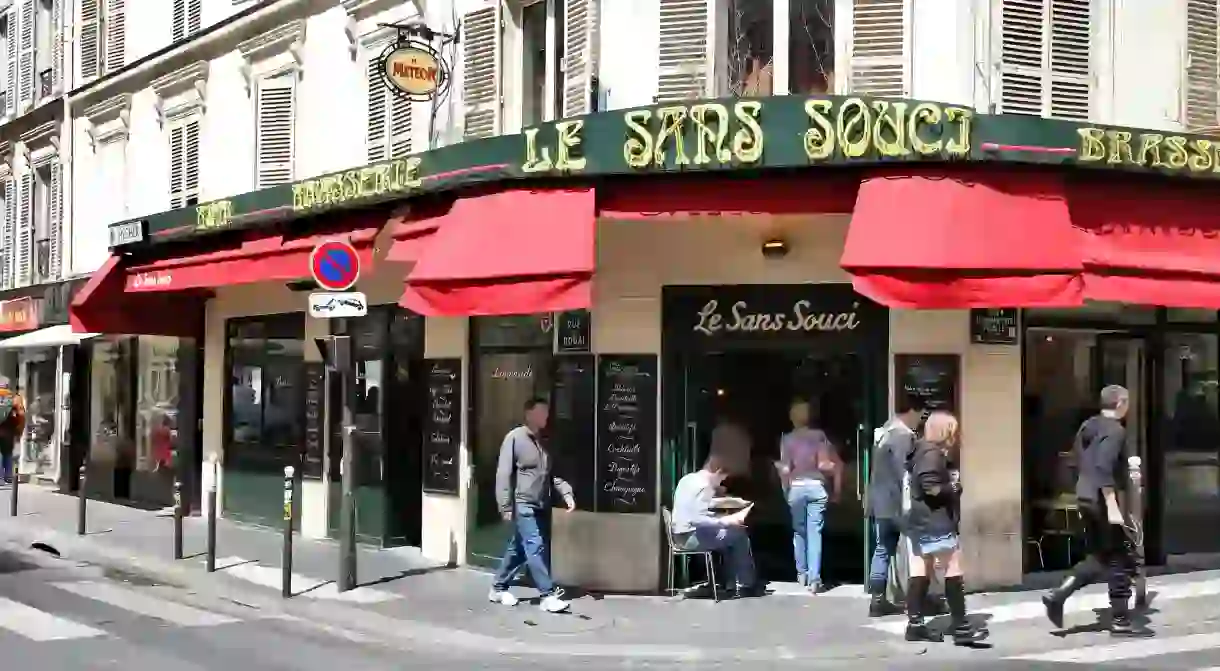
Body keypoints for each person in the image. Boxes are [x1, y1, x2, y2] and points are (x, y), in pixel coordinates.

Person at [1042, 385, 1151, 638]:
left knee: (1100, 556)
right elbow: (1103, 467)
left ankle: (1058, 595)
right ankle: (1121, 619)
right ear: (1121, 403)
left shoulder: (1087, 426)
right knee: (1119, 559)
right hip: (1102, 502)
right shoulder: (1115, 431)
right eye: (1128, 402)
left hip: (1085, 497)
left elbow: (1076, 460)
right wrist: (1113, 506)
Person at [903, 411, 986, 645]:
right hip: (935, 521)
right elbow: (931, 488)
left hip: (920, 522)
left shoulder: (920, 451)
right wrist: (954, 487)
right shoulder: (932, 454)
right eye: (953, 431)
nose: (956, 436)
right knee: (953, 566)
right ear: (945, 432)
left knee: (921, 569)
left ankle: (916, 625)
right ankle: (961, 627)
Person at [489, 397, 576, 614]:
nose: (545, 417)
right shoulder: (515, 438)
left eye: (546, 412)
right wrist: (505, 506)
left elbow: (551, 475)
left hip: (542, 504)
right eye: (541, 412)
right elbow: (503, 474)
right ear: (528, 414)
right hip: (523, 503)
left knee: (519, 548)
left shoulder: (544, 441)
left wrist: (566, 493)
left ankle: (498, 587)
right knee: (535, 545)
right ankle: (547, 595)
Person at [671, 452, 762, 598]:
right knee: (739, 535)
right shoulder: (706, 486)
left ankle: (725, 581)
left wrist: (718, 519)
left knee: (728, 534)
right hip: (691, 538)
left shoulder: (687, 479)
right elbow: (697, 519)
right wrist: (724, 521)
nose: (721, 483)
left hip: (679, 535)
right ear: (718, 472)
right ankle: (746, 584)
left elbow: (692, 509)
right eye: (722, 479)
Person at [864, 396, 922, 617]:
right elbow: (904, 472)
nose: (919, 420)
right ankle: (919, 599)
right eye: (919, 414)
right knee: (916, 550)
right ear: (911, 412)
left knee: (882, 549)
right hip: (898, 503)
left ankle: (877, 600)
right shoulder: (902, 436)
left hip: (880, 503)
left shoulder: (884, 432)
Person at [777, 398, 841, 593]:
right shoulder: (819, 436)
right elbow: (824, 464)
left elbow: (785, 469)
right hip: (816, 487)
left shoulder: (787, 439)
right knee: (815, 533)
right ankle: (815, 579)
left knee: (799, 531)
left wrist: (785, 490)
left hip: (796, 488)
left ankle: (802, 574)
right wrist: (836, 475)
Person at [0, 378, 25, 485]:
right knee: (8, 452)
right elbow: (21, 416)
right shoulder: (15, 398)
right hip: (9, 430)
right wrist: (19, 430)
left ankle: (0, 478)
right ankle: (9, 476)